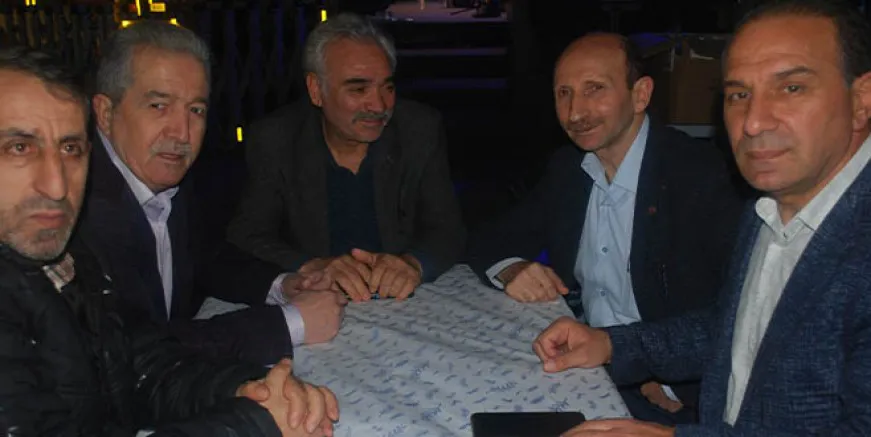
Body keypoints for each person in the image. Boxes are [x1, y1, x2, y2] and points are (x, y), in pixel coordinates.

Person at [532, 1, 871, 435]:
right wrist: (613, 344)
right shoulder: (771, 207)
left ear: (861, 100)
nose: (753, 122)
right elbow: (734, 328)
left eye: (791, 88)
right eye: (739, 94)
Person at [0, 45, 338, 437]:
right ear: (105, 115)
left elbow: (137, 366)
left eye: (70, 148)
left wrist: (247, 391)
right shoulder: (74, 225)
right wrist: (254, 423)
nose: (57, 186)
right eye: (19, 148)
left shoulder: (67, 254)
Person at [466, 32, 744, 424]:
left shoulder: (701, 176)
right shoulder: (569, 169)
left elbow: (740, 315)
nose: (575, 112)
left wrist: (665, 381)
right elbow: (487, 237)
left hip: (674, 393)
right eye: (564, 93)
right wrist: (512, 268)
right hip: (588, 366)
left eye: (594, 89)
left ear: (640, 94)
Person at [78, 21, 346, 366]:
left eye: (196, 110)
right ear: (105, 113)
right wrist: (289, 323)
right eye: (159, 106)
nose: (182, 132)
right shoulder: (73, 208)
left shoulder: (168, 175)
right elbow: (125, 353)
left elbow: (205, 259)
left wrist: (282, 285)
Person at [228, 13, 465, 302]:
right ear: (316, 90)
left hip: (402, 303)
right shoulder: (276, 139)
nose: (379, 105)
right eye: (359, 89)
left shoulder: (418, 129)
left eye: (388, 87)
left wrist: (412, 264)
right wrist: (310, 266)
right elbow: (247, 235)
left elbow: (448, 229)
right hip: (316, 303)